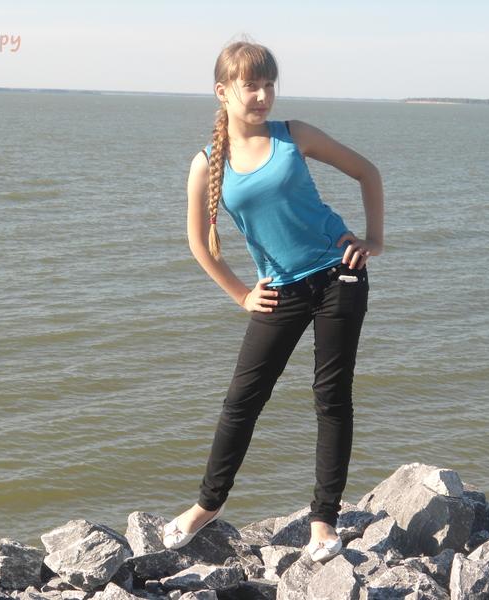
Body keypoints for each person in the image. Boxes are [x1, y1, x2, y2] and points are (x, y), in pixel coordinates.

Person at [163, 39, 384, 563]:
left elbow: (367, 172)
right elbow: (198, 243)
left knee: (331, 396)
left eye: (269, 84)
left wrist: (373, 240)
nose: (262, 95)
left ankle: (323, 521)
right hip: (278, 290)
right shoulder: (207, 164)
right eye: (251, 86)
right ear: (223, 92)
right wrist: (242, 294)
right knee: (242, 399)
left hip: (339, 275)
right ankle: (207, 505)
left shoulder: (294, 135)